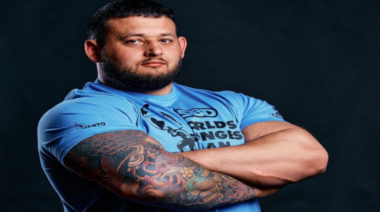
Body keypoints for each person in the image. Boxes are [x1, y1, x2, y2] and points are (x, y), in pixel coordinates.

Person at [37, 0, 328, 211]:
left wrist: (171, 161)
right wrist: (264, 181)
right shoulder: (78, 113)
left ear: (182, 46)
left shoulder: (233, 103)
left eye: (165, 39)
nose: (155, 50)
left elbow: (311, 157)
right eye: (134, 41)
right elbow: (157, 183)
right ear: (94, 50)